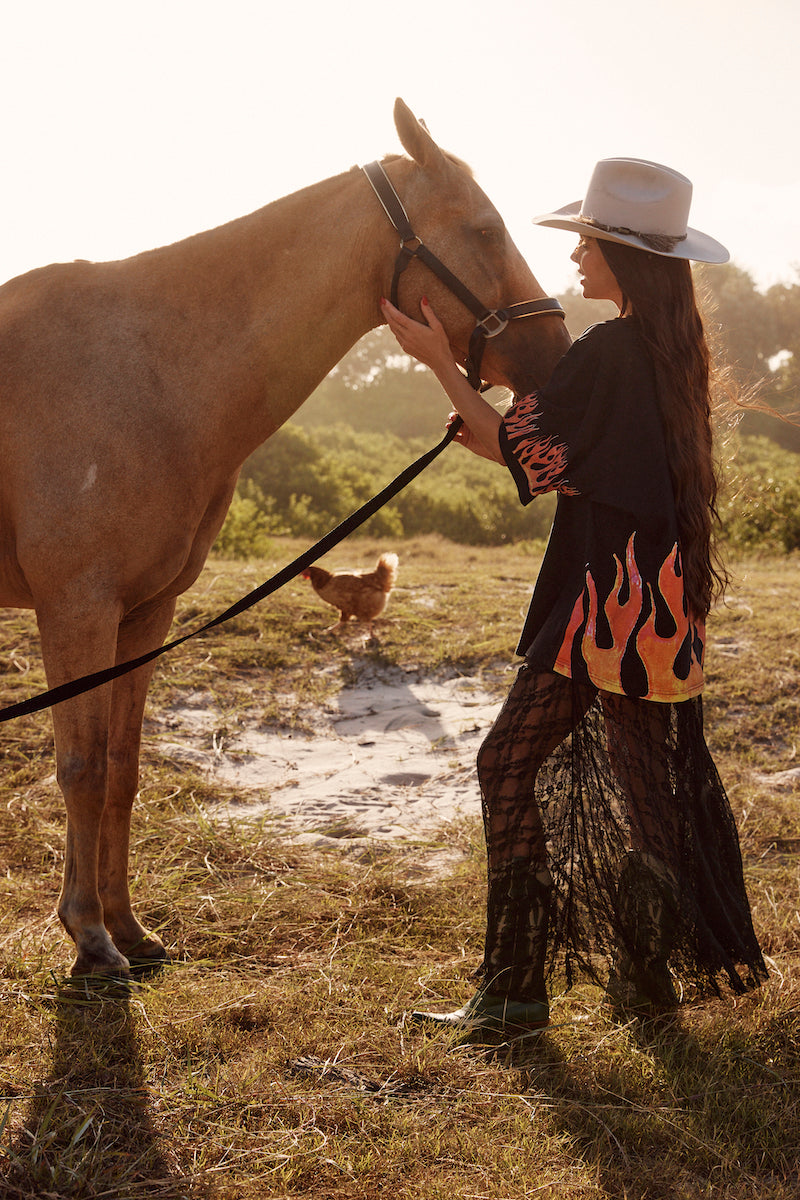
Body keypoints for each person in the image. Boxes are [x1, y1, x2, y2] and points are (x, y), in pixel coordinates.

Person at [381, 157, 768, 1034]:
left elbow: (518, 451)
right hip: (659, 603)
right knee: (646, 791)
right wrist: (492, 416)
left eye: (586, 244)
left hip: (605, 603)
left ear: (622, 256)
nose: (574, 262)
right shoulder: (669, 353)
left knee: (503, 765)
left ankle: (514, 987)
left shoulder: (611, 351)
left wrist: (440, 359)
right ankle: (647, 978)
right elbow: (542, 456)